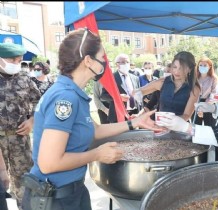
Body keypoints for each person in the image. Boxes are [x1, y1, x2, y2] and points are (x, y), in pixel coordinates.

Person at [21, 28, 160, 210]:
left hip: (72, 191)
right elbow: (49, 163)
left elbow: (95, 131)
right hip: (54, 199)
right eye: (102, 58)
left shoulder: (74, 93)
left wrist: (134, 123)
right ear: (88, 60)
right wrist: (97, 154)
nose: (105, 63)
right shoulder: (65, 98)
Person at [0, 42, 41, 209]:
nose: (17, 64)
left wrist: (32, 120)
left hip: (20, 140)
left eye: (19, 61)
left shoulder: (24, 78)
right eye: (13, 60)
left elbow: (40, 102)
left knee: (24, 181)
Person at [134, 51, 200, 121]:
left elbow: (186, 115)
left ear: (190, 69)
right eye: (175, 67)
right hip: (159, 127)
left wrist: (170, 122)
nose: (176, 71)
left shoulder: (194, 89)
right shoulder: (162, 82)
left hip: (180, 128)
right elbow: (139, 91)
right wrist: (136, 94)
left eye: (181, 68)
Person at [101, 53, 141, 123]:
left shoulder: (135, 78)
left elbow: (138, 95)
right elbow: (103, 96)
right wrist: (118, 97)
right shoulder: (111, 78)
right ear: (117, 64)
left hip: (134, 114)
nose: (126, 64)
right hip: (118, 115)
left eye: (127, 62)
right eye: (123, 62)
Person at [193, 56, 218, 126]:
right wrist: (198, 107)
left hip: (209, 104)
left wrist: (204, 106)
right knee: (196, 126)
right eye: (200, 65)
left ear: (210, 66)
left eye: (205, 65)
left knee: (210, 126)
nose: (202, 67)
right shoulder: (195, 78)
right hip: (196, 104)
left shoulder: (213, 78)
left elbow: (214, 93)